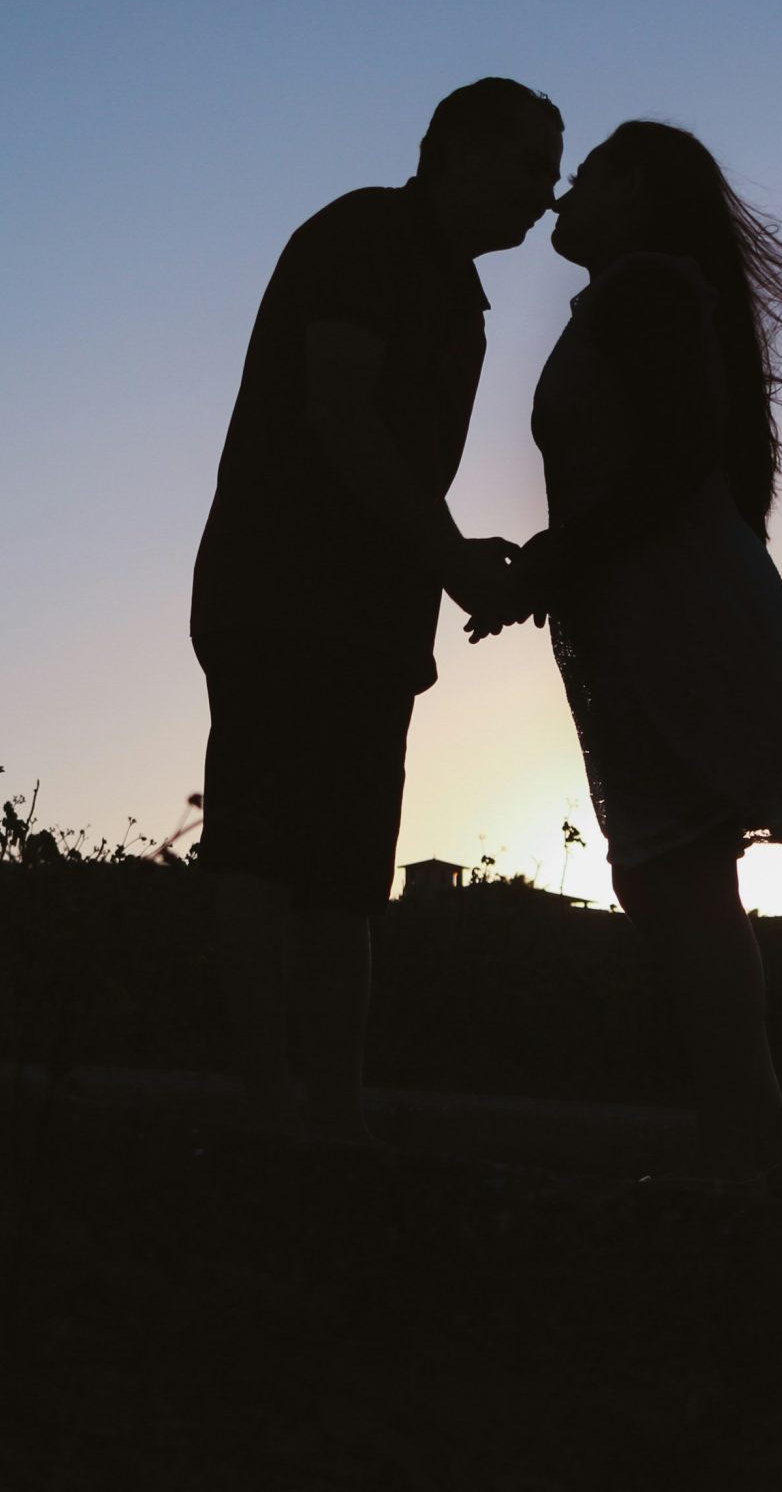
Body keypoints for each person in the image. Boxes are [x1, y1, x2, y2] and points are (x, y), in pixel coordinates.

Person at [471, 118, 782, 1198]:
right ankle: (749, 1145)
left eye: (588, 177)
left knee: (677, 873)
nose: (560, 198)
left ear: (637, 190)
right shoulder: (643, 295)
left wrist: (550, 566)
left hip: (668, 608)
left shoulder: (645, 289)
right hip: (657, 600)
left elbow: (675, 459)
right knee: (674, 876)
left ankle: (761, 1154)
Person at [191, 79, 566, 1143]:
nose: (543, 198)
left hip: (371, 620)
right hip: (282, 597)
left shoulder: (459, 295)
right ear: (453, 149)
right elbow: (339, 416)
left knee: (347, 880)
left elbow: (386, 452)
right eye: (528, 168)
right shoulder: (365, 236)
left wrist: (445, 553)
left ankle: (335, 1128)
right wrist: (450, 557)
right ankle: (271, 1120)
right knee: (266, 858)